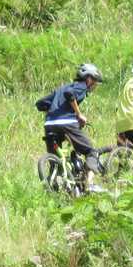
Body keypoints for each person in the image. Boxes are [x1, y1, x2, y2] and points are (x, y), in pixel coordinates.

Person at [37, 63, 107, 192]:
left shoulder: (61, 88)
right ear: (89, 79)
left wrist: (54, 112)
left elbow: (40, 104)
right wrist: (79, 114)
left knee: (56, 162)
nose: (95, 85)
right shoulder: (81, 86)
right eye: (95, 82)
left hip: (49, 125)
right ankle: (90, 184)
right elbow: (70, 94)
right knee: (91, 152)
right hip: (66, 123)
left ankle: (55, 187)